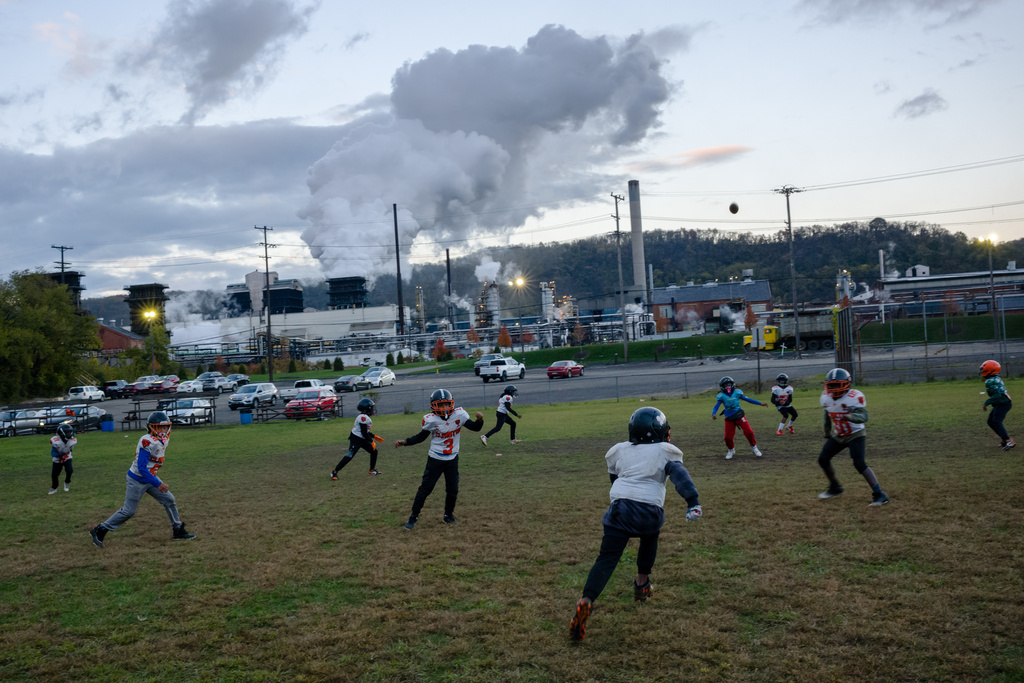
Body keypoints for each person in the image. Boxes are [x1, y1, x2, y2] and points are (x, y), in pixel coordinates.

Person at [569, 407, 702, 643]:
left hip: (619, 508)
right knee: (650, 537)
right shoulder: (665, 451)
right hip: (649, 509)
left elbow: (615, 479)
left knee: (607, 558)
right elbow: (679, 473)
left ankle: (586, 601)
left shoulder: (619, 450)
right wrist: (692, 501)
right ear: (658, 430)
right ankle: (642, 584)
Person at [89, 411, 196, 548]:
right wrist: (157, 483)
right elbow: (141, 468)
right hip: (138, 479)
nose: (163, 430)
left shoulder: (162, 440)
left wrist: (154, 481)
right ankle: (100, 529)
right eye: (159, 427)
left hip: (149, 477)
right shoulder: (147, 441)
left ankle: (177, 530)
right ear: (151, 427)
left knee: (169, 499)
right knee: (129, 511)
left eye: (165, 427)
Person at [395, 389, 484, 529]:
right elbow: (420, 437)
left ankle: (448, 516)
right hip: (435, 459)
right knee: (426, 489)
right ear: (434, 406)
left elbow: (475, 428)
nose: (444, 408)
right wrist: (405, 442)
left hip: (452, 459)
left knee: (453, 489)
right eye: (440, 405)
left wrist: (480, 420)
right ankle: (413, 517)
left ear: (451, 404)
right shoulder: (431, 420)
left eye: (446, 405)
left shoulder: (459, 415)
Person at [817, 368, 889, 506]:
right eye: (831, 385)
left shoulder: (853, 397)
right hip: (839, 435)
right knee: (823, 459)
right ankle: (835, 487)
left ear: (846, 384)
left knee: (859, 463)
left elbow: (864, 416)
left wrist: (849, 416)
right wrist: (827, 433)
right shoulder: (826, 398)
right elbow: (827, 415)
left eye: (837, 385)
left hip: (856, 434)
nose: (833, 388)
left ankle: (880, 494)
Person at [711, 376, 767, 459]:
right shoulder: (721, 396)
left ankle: (754, 447)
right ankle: (731, 450)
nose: (728, 387)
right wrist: (714, 413)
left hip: (739, 416)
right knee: (727, 437)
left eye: (729, 385)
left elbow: (748, 399)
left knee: (749, 432)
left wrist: (760, 403)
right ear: (722, 387)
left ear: (732, 385)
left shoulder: (737, 393)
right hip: (729, 418)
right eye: (726, 386)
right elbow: (716, 406)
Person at [331, 397, 384, 478]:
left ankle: (372, 470)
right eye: (371, 408)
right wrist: (371, 441)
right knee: (349, 456)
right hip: (356, 439)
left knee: (374, 451)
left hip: (361, 438)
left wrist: (374, 436)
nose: (372, 409)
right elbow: (363, 432)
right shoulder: (363, 417)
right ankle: (334, 472)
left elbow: (364, 432)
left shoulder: (364, 417)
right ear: (367, 408)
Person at [980, 360, 1015, 450]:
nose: (982, 372)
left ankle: (1008, 441)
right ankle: (1005, 439)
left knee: (996, 421)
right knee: (991, 421)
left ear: (990, 371)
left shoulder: (990, 381)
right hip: (1002, 403)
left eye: (984, 370)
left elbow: (997, 395)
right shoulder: (995, 379)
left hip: (1003, 404)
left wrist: (986, 403)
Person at [48, 423, 77, 494]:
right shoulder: (55, 441)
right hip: (57, 459)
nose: (69, 434)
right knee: (55, 475)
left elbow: (70, 449)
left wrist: (66, 454)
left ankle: (67, 482)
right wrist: (60, 454)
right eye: (67, 432)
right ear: (62, 433)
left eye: (70, 432)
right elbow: (53, 453)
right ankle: (54, 488)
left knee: (69, 470)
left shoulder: (73, 440)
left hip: (67, 457)